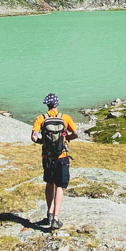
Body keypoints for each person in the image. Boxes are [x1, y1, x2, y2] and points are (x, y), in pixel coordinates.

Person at [31, 92, 77, 230]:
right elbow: (75, 133)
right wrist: (67, 138)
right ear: (57, 104)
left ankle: (49, 213)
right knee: (60, 186)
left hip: (47, 157)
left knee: (49, 183)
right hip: (62, 157)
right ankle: (56, 219)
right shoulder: (65, 118)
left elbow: (33, 137)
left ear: (47, 105)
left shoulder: (40, 119)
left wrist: (43, 142)